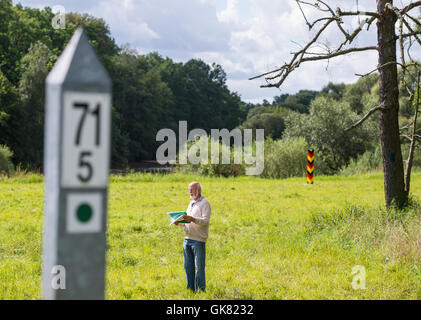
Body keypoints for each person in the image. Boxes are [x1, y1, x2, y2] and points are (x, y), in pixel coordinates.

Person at [174, 181, 211, 292]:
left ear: (198, 190)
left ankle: (200, 291)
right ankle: (190, 290)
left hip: (198, 241)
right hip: (187, 240)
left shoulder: (205, 203)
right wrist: (179, 223)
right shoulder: (191, 203)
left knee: (199, 268)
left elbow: (205, 221)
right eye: (189, 189)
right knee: (188, 267)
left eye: (192, 189)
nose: (190, 192)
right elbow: (187, 221)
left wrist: (193, 219)